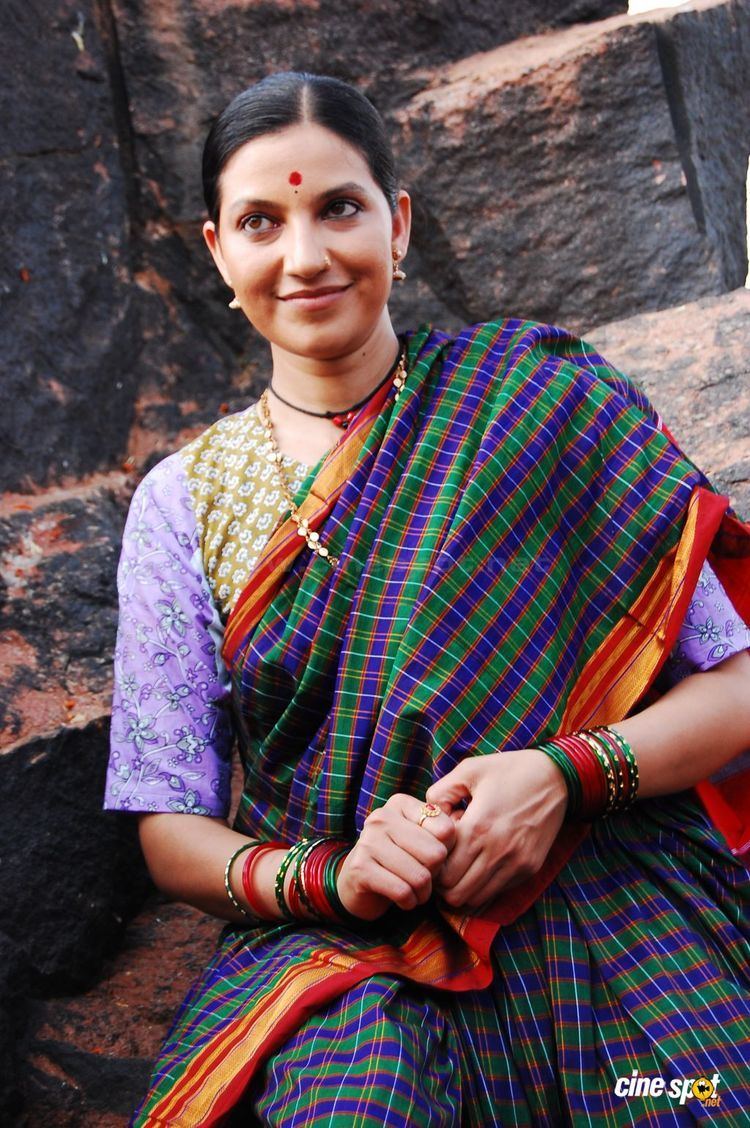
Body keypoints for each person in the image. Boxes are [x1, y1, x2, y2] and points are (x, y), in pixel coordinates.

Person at [104, 72, 750, 1126]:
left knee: (692, 1102)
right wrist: (337, 879)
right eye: (262, 221)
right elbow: (171, 828)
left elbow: (737, 690)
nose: (305, 256)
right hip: (349, 952)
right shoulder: (182, 505)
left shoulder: (543, 400)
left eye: (339, 208)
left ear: (398, 226)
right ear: (218, 251)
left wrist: (564, 774)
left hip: (615, 902)